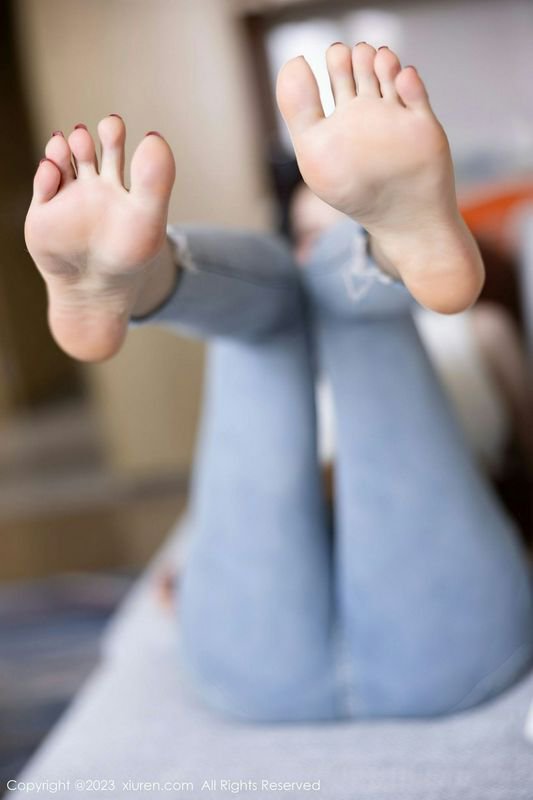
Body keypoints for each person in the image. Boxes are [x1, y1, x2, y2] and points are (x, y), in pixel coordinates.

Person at [24, 43, 533, 721]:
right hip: (287, 642)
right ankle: (144, 279)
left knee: (316, 301)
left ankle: (168, 282)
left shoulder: (477, 331)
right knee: (282, 299)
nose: (314, 245)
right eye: (311, 231)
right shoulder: (290, 307)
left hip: (424, 610)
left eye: (346, 217)